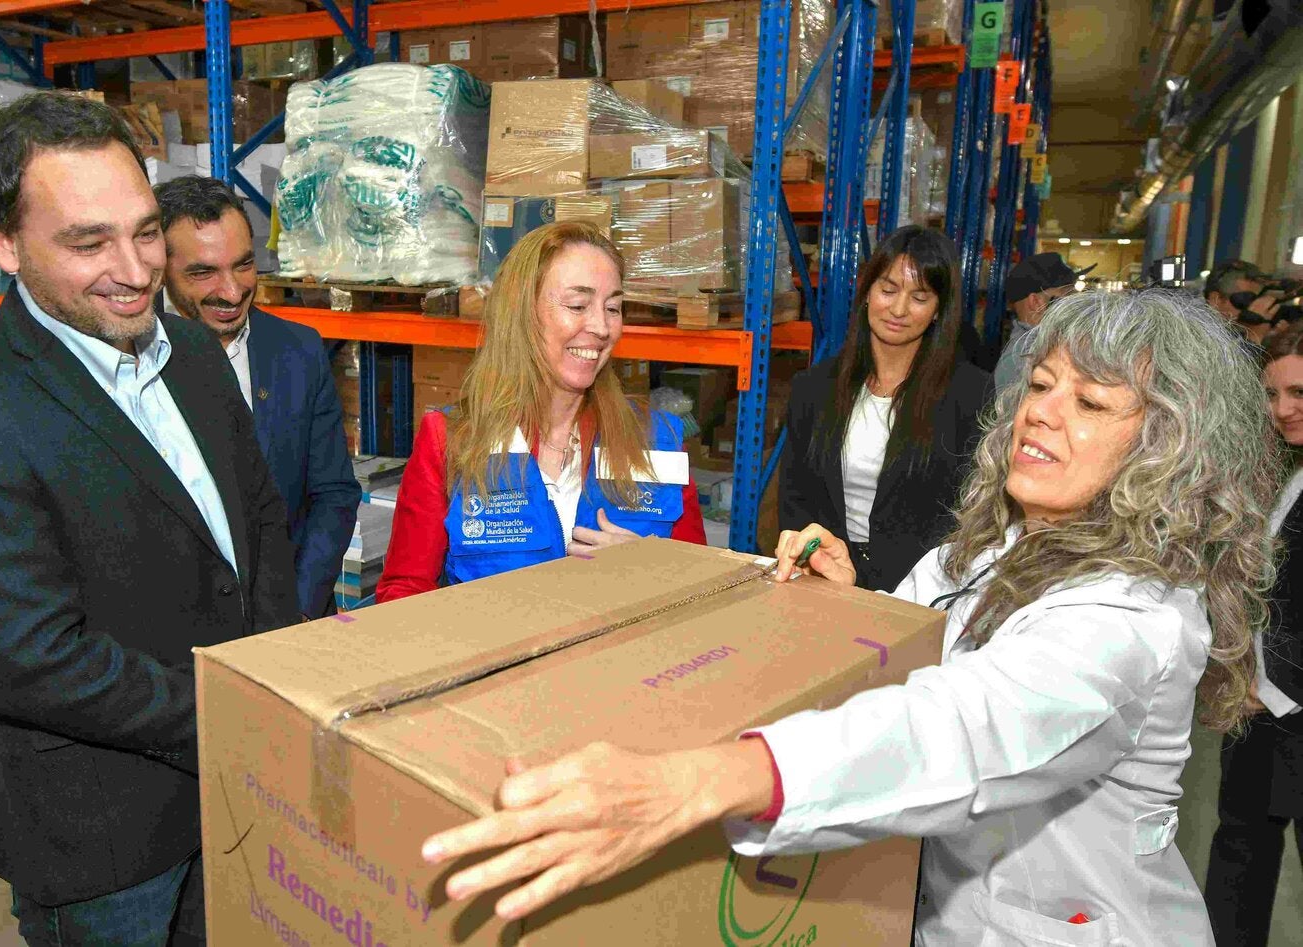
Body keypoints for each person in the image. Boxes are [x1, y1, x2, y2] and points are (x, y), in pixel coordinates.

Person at [420, 290, 1278, 946]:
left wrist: (693, 783)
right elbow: (909, 643)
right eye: (1042, 384)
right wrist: (850, 601)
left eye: (1092, 404)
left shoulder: (1134, 613)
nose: (1041, 412)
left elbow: (967, 725)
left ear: (1167, 449)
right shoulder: (998, 543)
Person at [0, 92, 300, 945]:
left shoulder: (189, 354)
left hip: (242, 786)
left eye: (146, 230)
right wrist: (233, 713)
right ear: (3, 243)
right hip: (109, 838)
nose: (137, 267)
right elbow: (33, 660)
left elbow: (257, 527)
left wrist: (272, 689)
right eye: (88, 241)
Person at [377, 222, 706, 602]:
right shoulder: (452, 439)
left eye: (613, 307)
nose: (601, 327)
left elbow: (704, 584)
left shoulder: (656, 437)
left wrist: (651, 571)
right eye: (577, 305)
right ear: (524, 314)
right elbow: (403, 593)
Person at [154, 175, 361, 619]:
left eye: (244, 265)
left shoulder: (299, 351)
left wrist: (296, 611)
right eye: (203, 272)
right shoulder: (127, 361)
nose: (231, 291)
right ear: (158, 268)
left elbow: (334, 494)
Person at [779, 225, 992, 592]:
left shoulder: (972, 395)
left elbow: (973, 513)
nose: (898, 309)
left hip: (923, 591)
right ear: (866, 292)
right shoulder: (814, 388)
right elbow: (796, 499)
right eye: (888, 289)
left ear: (940, 309)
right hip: (825, 579)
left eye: (920, 297)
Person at [1205, 321, 1303, 946]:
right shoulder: (1284, 472)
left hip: (1289, 704)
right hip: (1263, 703)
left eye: (1297, 395)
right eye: (1272, 395)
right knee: (1241, 849)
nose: (1281, 410)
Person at [993, 251, 1089, 390]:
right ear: (1036, 302)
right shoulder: (1022, 360)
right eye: (1067, 294)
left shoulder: (1044, 347)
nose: (1074, 302)